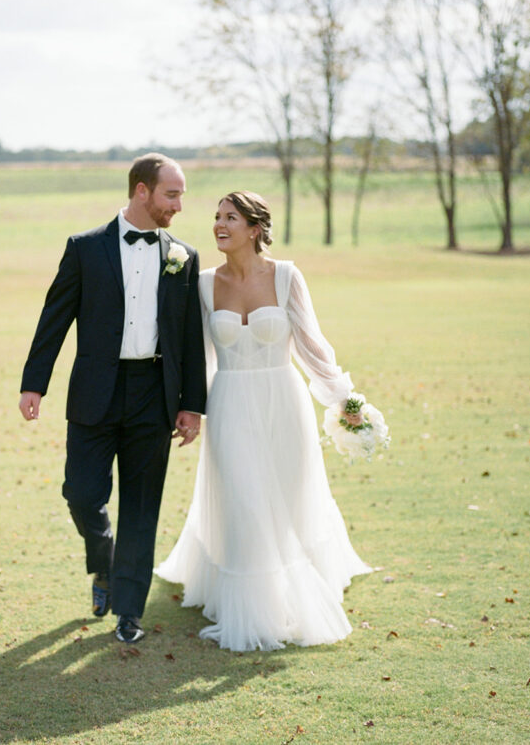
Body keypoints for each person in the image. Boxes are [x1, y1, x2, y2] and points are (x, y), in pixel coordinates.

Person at [155, 190, 373, 652]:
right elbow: (198, 356)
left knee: (288, 500)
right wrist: (187, 408)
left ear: (254, 229)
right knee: (244, 500)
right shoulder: (205, 283)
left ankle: (292, 594)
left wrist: (345, 401)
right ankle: (252, 612)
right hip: (231, 400)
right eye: (216, 217)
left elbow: (313, 346)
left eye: (230, 217)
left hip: (283, 401)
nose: (219, 224)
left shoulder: (288, 276)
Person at [19, 153, 206, 644]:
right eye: (172, 194)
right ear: (141, 191)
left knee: (142, 508)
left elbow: (189, 337)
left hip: (155, 394)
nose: (180, 205)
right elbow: (53, 317)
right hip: (94, 393)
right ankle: (103, 560)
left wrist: (192, 405)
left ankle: (128, 612)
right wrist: (34, 382)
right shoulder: (85, 249)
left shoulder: (183, 256)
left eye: (181, 194)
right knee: (81, 494)